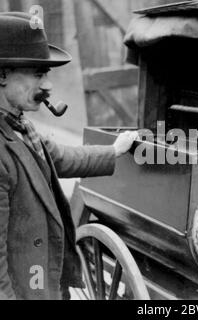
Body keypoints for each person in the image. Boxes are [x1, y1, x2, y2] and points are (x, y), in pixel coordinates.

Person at [0, 12, 138, 299]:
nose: (49, 85)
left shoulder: (21, 126)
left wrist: (114, 150)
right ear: (2, 75)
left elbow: (59, 157)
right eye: (38, 73)